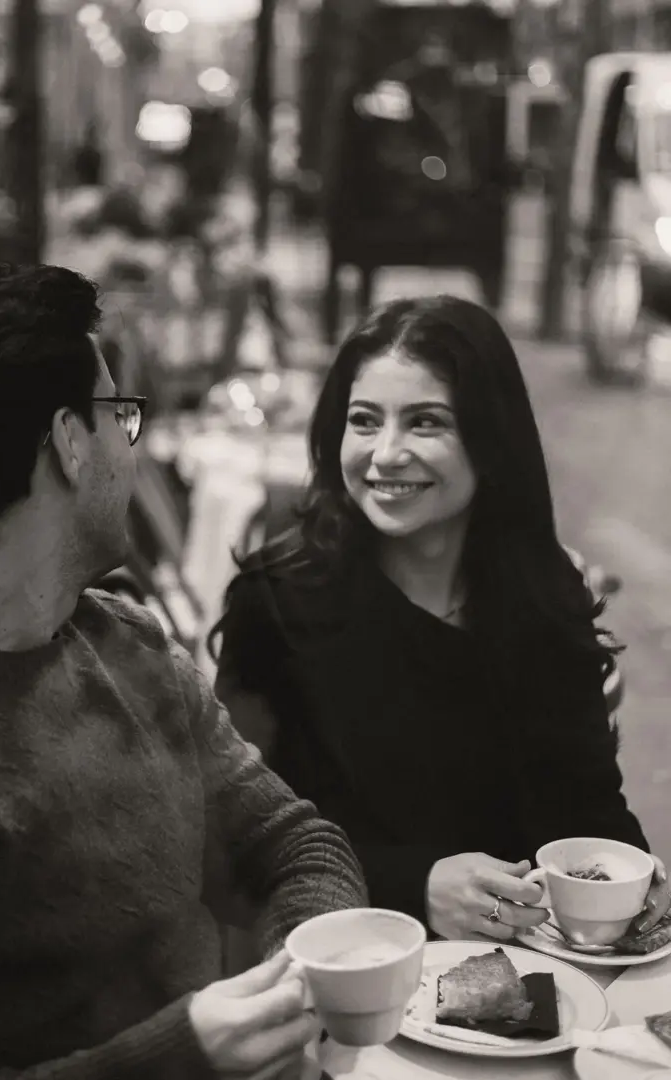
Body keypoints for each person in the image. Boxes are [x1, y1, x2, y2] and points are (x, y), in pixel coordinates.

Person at [0, 261, 368, 1080]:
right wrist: (183, 1055)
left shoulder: (126, 642)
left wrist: (295, 991)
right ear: (70, 443)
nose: (128, 452)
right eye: (119, 417)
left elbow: (296, 844)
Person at [211, 294, 670, 944]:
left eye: (426, 423)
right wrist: (415, 886)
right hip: (351, 962)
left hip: (534, 970)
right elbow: (242, 832)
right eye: (365, 421)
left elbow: (586, 802)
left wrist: (635, 874)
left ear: (490, 440)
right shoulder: (279, 598)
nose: (387, 454)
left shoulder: (543, 591)